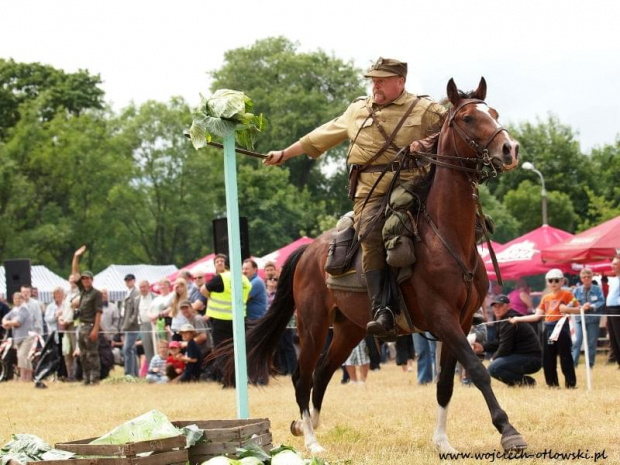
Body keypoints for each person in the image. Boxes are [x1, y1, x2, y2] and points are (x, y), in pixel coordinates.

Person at [264, 57, 446, 338]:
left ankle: (465, 297)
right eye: (373, 79)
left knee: (457, 221)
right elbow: (319, 137)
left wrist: (428, 142)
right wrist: (285, 154)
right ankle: (382, 310)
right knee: (372, 234)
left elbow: (455, 129)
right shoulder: (357, 110)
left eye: (382, 79)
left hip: (415, 186)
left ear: (400, 81)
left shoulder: (424, 110)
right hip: (370, 193)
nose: (375, 84)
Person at [510, 269, 582, 389]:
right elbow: (537, 316)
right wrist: (518, 319)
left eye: (556, 280)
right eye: (550, 280)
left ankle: (570, 384)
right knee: (548, 358)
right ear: (547, 282)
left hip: (561, 327)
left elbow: (579, 308)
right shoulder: (546, 297)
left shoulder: (567, 294)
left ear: (562, 281)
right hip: (548, 328)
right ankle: (552, 384)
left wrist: (567, 309)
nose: (553, 283)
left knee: (565, 356)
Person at [473, 294, 542, 386]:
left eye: (500, 306)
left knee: (494, 368)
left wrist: (493, 358)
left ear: (508, 306)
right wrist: (483, 347)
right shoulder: (503, 319)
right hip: (522, 356)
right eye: (494, 306)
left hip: (531, 358)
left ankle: (527, 382)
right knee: (495, 366)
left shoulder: (509, 320)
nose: (496, 309)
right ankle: (520, 381)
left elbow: (505, 347)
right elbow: (500, 342)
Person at [71, 245, 103, 385]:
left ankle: (94, 379)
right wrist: (76, 256)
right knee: (83, 355)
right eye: (83, 279)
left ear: (92, 279)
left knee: (92, 355)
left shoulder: (96, 293)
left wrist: (96, 328)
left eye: (87, 279)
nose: (85, 281)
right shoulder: (83, 291)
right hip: (81, 326)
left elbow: (98, 311)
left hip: (90, 326)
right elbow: (75, 272)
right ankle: (86, 378)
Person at [572, 267, 605, 367]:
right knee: (577, 341)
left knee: (591, 342)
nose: (586, 278)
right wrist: (579, 307)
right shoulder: (576, 290)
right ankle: (573, 363)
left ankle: (590, 364)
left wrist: (591, 306)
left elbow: (602, 301)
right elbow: (572, 302)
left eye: (588, 277)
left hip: (593, 319)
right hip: (579, 319)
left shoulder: (598, 289)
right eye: (584, 277)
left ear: (592, 277)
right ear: (581, 278)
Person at [2, 292, 35, 381]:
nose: (17, 300)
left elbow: (18, 322)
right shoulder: (15, 309)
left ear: (22, 299)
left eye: (19, 298)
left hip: (27, 337)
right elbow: (5, 317)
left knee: (22, 356)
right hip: (18, 338)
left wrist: (8, 323)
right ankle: (28, 378)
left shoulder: (24, 309)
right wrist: (6, 321)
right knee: (25, 358)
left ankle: (23, 378)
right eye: (15, 299)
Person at [58, 274, 80, 381]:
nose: (72, 283)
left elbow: (75, 312)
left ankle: (77, 375)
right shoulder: (67, 295)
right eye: (71, 280)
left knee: (76, 351)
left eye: (74, 281)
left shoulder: (80, 294)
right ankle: (70, 375)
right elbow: (63, 309)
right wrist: (61, 318)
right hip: (65, 326)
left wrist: (67, 321)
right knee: (66, 351)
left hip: (74, 325)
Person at [121, 273, 140, 377]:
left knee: (127, 349)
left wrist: (131, 322)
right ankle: (134, 374)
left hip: (132, 326)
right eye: (126, 280)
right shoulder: (127, 293)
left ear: (134, 280)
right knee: (131, 349)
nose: (128, 282)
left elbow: (136, 311)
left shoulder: (136, 293)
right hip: (126, 324)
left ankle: (129, 373)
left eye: (130, 280)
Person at [136, 280, 156, 369]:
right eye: (141, 287)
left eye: (144, 287)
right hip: (143, 325)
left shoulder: (155, 297)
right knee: (147, 349)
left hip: (154, 325)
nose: (142, 289)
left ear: (148, 287)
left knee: (156, 347)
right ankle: (151, 369)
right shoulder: (137, 299)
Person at [605, 256, 620, 368]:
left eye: (615, 264)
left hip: (617, 309)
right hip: (610, 309)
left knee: (618, 336)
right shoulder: (614, 279)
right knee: (613, 338)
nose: (612, 266)